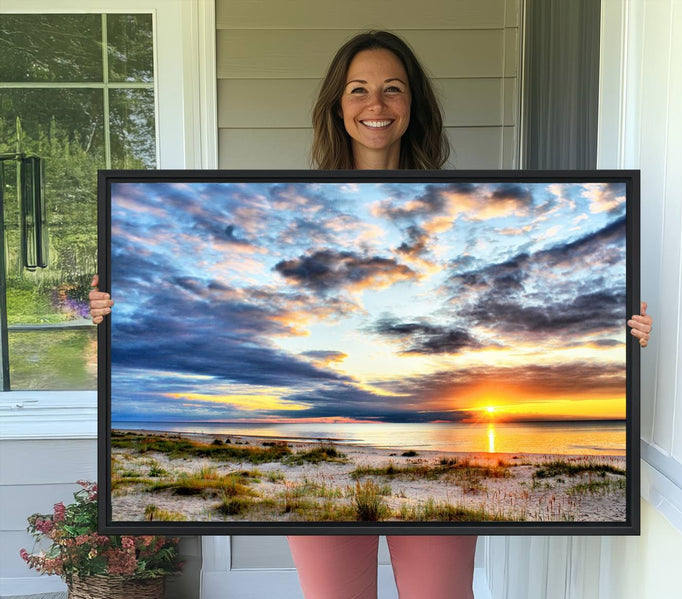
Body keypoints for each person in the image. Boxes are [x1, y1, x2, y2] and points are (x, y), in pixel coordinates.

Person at [89, 30, 653, 599]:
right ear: (338, 105)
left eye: (392, 89)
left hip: (434, 476)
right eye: (358, 90)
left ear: (413, 105)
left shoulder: (462, 204)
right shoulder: (295, 203)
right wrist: (113, 308)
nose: (376, 105)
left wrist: (620, 332)